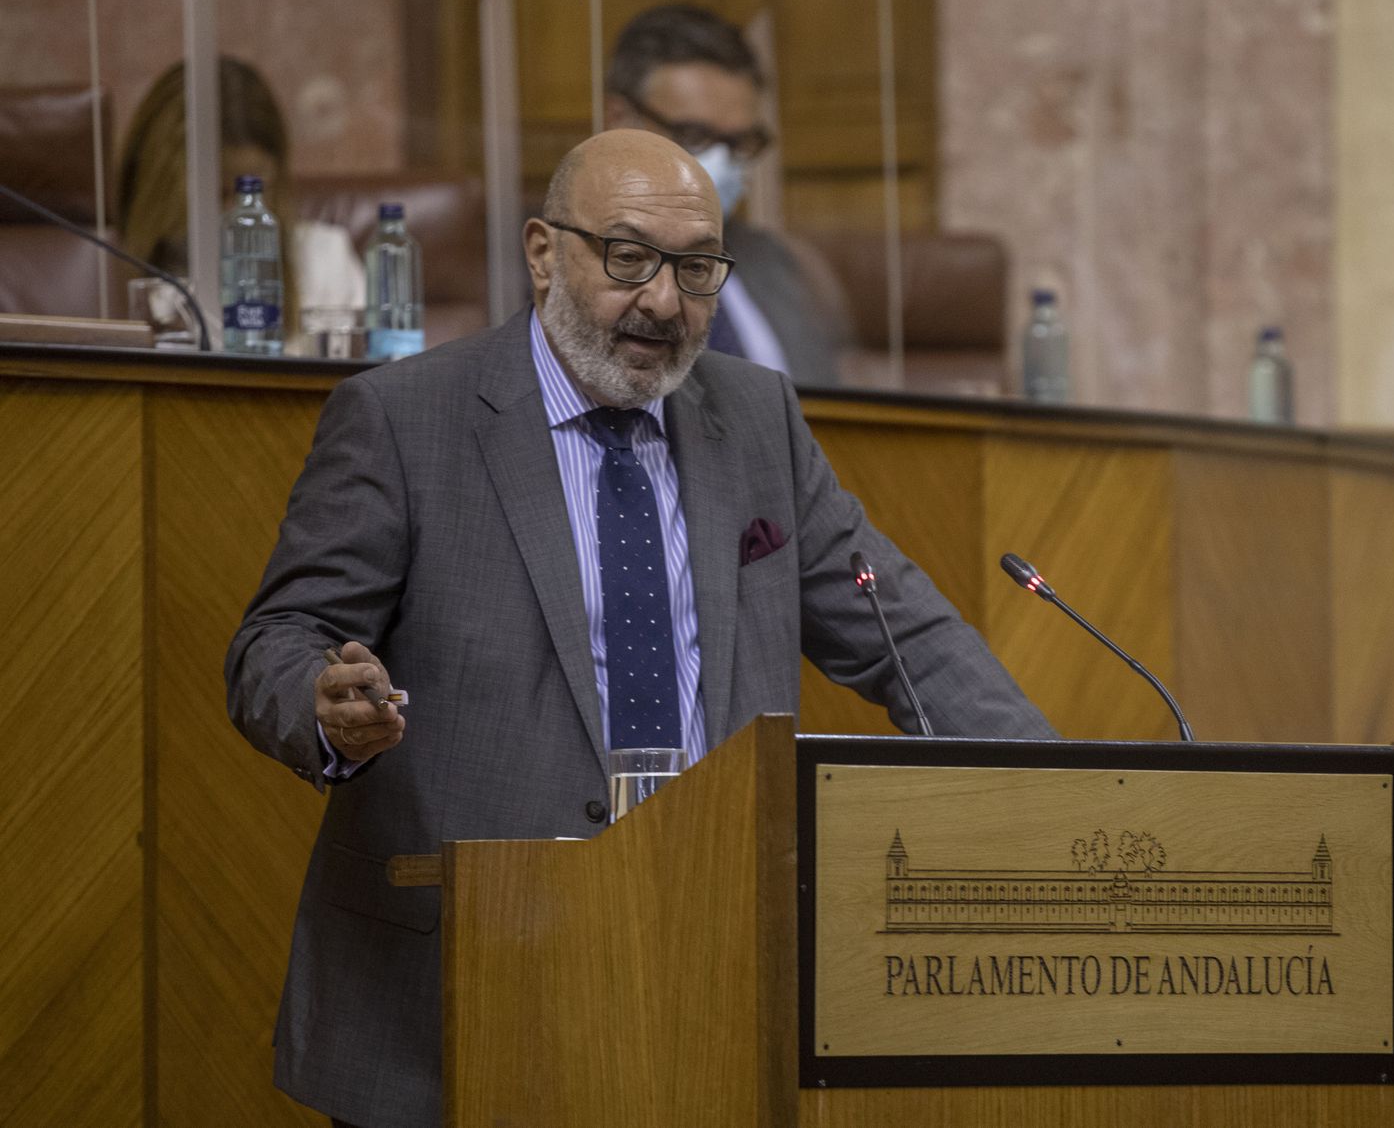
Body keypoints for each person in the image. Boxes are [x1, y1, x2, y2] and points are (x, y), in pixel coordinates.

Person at [225, 128, 1052, 1128]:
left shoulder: (755, 418)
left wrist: (1056, 791)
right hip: (460, 983)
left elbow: (901, 633)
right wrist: (323, 708)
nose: (663, 300)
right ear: (543, 253)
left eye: (696, 269)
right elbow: (281, 636)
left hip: (709, 967)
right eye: (628, 258)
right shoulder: (406, 418)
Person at [603, 3, 848, 387]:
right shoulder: (576, 264)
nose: (719, 163)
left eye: (739, 143)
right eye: (695, 136)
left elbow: (828, 407)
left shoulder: (771, 260)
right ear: (620, 119)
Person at [117, 57, 364, 336]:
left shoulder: (324, 261)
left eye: (253, 191)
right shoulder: (105, 273)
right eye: (215, 194)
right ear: (157, 185)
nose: (235, 213)